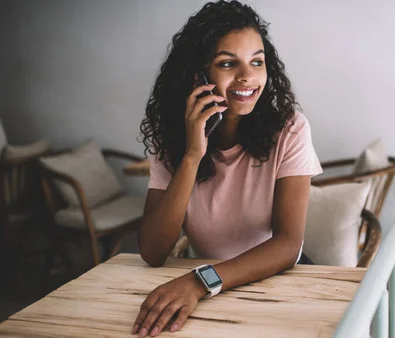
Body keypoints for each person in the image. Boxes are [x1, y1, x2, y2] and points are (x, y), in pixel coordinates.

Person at [132, 1, 322, 337]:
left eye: (257, 62)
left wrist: (199, 281)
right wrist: (192, 154)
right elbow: (153, 250)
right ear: (198, 74)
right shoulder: (172, 140)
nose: (247, 76)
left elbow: (288, 244)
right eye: (227, 63)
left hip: (272, 281)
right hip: (210, 294)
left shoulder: (290, 129)